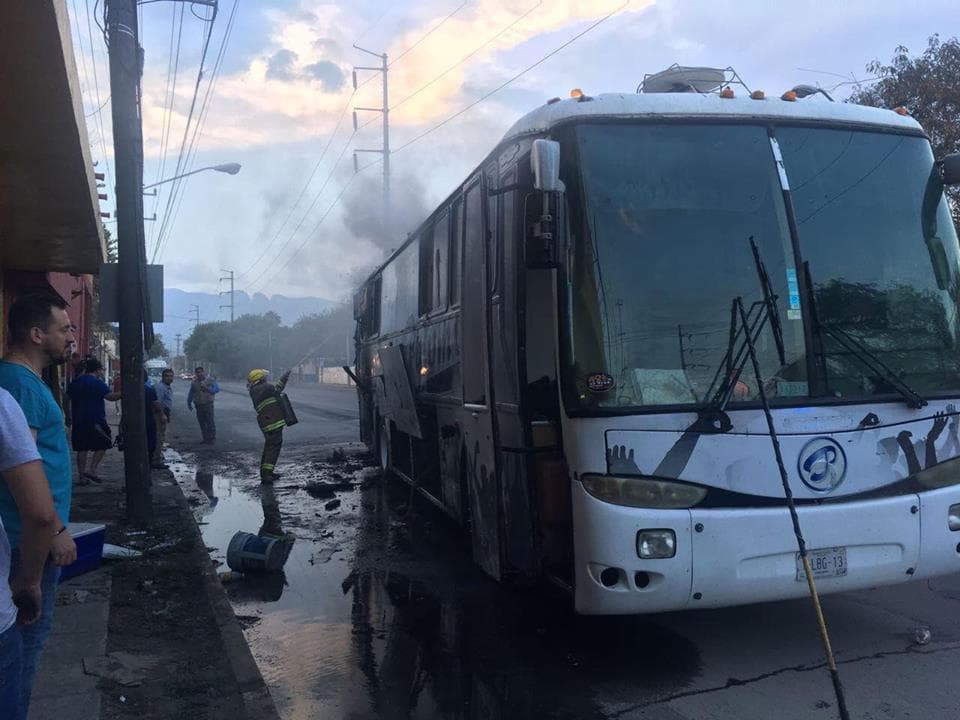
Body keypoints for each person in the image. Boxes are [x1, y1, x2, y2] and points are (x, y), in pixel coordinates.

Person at [0, 292, 79, 713]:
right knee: (23, 654)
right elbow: (23, 478)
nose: (72, 337)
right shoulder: (19, 387)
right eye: (65, 329)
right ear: (35, 334)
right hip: (26, 542)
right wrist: (56, 532)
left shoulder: (20, 383)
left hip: (22, 538)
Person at [0, 386, 59, 719]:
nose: (70, 335)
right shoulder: (7, 400)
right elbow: (40, 514)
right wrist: (29, 580)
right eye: (64, 328)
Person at [66, 358, 120, 483]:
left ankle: (81, 477)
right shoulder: (97, 383)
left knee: (82, 449)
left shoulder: (75, 382)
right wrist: (124, 393)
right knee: (105, 443)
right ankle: (91, 469)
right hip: (96, 421)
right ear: (98, 370)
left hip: (78, 421)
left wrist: (68, 415)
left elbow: (66, 397)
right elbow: (110, 397)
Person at [246, 368, 290, 484]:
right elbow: (278, 389)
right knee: (273, 448)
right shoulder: (266, 388)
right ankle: (266, 475)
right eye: (264, 376)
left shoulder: (254, 389)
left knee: (269, 447)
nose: (266, 378)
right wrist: (284, 377)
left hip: (266, 422)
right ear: (260, 379)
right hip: (272, 422)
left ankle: (266, 472)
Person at [187, 366, 218, 444]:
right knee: (202, 422)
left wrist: (207, 388)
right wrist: (189, 403)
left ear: (203, 372)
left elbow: (216, 389)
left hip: (208, 404)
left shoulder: (210, 380)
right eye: (197, 372)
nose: (199, 374)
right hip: (198, 405)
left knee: (210, 421)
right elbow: (191, 393)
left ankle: (211, 438)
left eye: (201, 372)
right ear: (196, 373)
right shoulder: (194, 382)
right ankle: (205, 438)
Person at [153, 368, 174, 466]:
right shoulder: (160, 387)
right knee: (159, 436)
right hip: (159, 414)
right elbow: (157, 402)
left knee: (161, 435)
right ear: (163, 377)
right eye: (167, 376)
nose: (169, 378)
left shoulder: (166, 387)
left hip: (164, 412)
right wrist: (162, 414)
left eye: (171, 376)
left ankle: (157, 457)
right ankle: (156, 460)